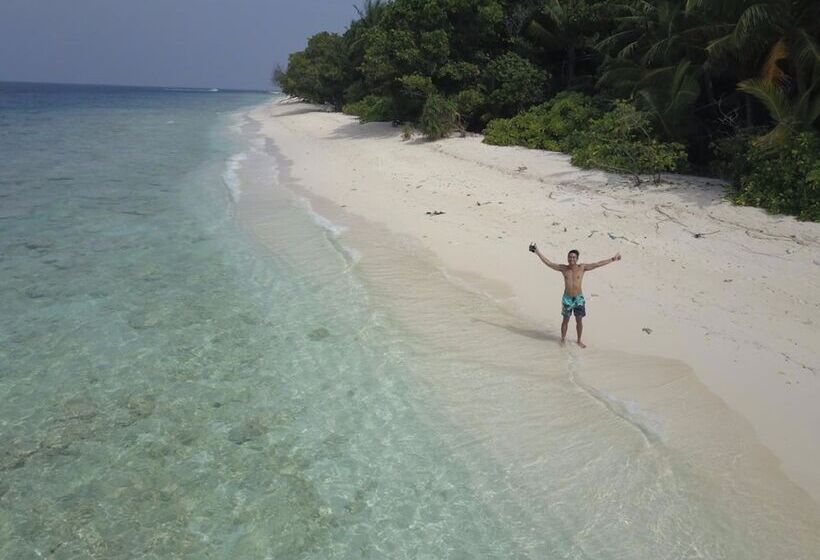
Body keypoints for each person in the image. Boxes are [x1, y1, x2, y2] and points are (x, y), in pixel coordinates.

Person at [529, 243, 621, 348]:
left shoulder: (582, 267)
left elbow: (597, 264)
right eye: (570, 257)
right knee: (565, 320)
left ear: (577, 259)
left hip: (578, 299)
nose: (571, 259)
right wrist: (537, 252)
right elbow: (549, 263)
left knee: (579, 320)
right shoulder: (563, 268)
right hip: (567, 298)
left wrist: (613, 259)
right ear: (567, 258)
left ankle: (579, 340)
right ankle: (562, 339)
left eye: (573, 257)